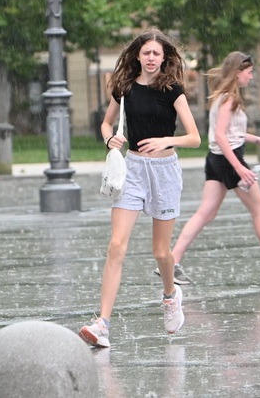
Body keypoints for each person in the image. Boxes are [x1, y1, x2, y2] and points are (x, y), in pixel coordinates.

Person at [79, 29, 202, 348]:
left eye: (156, 54)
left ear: (164, 58)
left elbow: (195, 137)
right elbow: (106, 123)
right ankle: (102, 323)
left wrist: (167, 140)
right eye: (146, 53)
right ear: (137, 55)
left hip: (164, 171)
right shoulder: (125, 87)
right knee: (116, 245)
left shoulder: (172, 88)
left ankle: (170, 295)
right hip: (132, 170)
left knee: (161, 252)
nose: (150, 58)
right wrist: (110, 139)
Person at [164, 51, 260, 285]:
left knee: (206, 213)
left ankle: (171, 262)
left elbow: (230, 132)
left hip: (216, 159)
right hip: (228, 160)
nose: (251, 77)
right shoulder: (229, 99)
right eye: (249, 73)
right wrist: (239, 168)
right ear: (238, 73)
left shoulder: (223, 97)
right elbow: (222, 136)